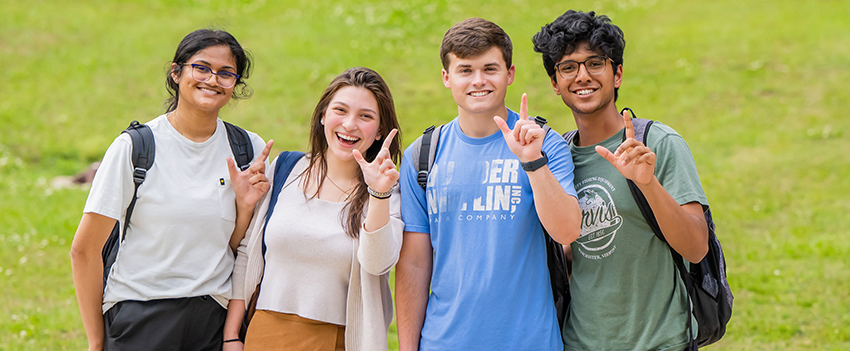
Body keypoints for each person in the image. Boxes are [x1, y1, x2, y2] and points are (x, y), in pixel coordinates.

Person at [70, 29, 272, 351]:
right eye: (201, 67)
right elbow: (84, 250)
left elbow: (236, 249)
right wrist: (97, 341)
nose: (212, 80)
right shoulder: (135, 148)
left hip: (212, 322)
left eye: (226, 73)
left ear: (235, 85)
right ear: (177, 73)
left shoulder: (248, 149)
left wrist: (245, 208)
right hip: (141, 318)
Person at [396, 18, 581, 351]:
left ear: (509, 74)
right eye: (465, 70)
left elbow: (567, 232)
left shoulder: (545, 144)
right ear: (446, 77)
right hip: (444, 342)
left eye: (490, 69)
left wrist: (532, 162)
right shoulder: (421, 156)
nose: (478, 81)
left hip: (530, 342)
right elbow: (414, 263)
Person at [532, 10, 711, 351]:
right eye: (568, 67)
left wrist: (647, 184)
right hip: (579, 343)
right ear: (555, 83)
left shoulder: (657, 143)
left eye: (595, 63)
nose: (582, 76)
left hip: (660, 341)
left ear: (617, 74)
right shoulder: (556, 157)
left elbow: (696, 247)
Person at [228, 67, 403, 351]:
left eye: (365, 116)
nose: (349, 124)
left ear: (381, 130)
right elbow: (248, 254)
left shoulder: (387, 192)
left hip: (337, 339)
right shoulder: (285, 169)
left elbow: (378, 263)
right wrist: (231, 335)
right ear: (323, 114)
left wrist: (379, 193)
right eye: (340, 110)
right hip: (264, 333)